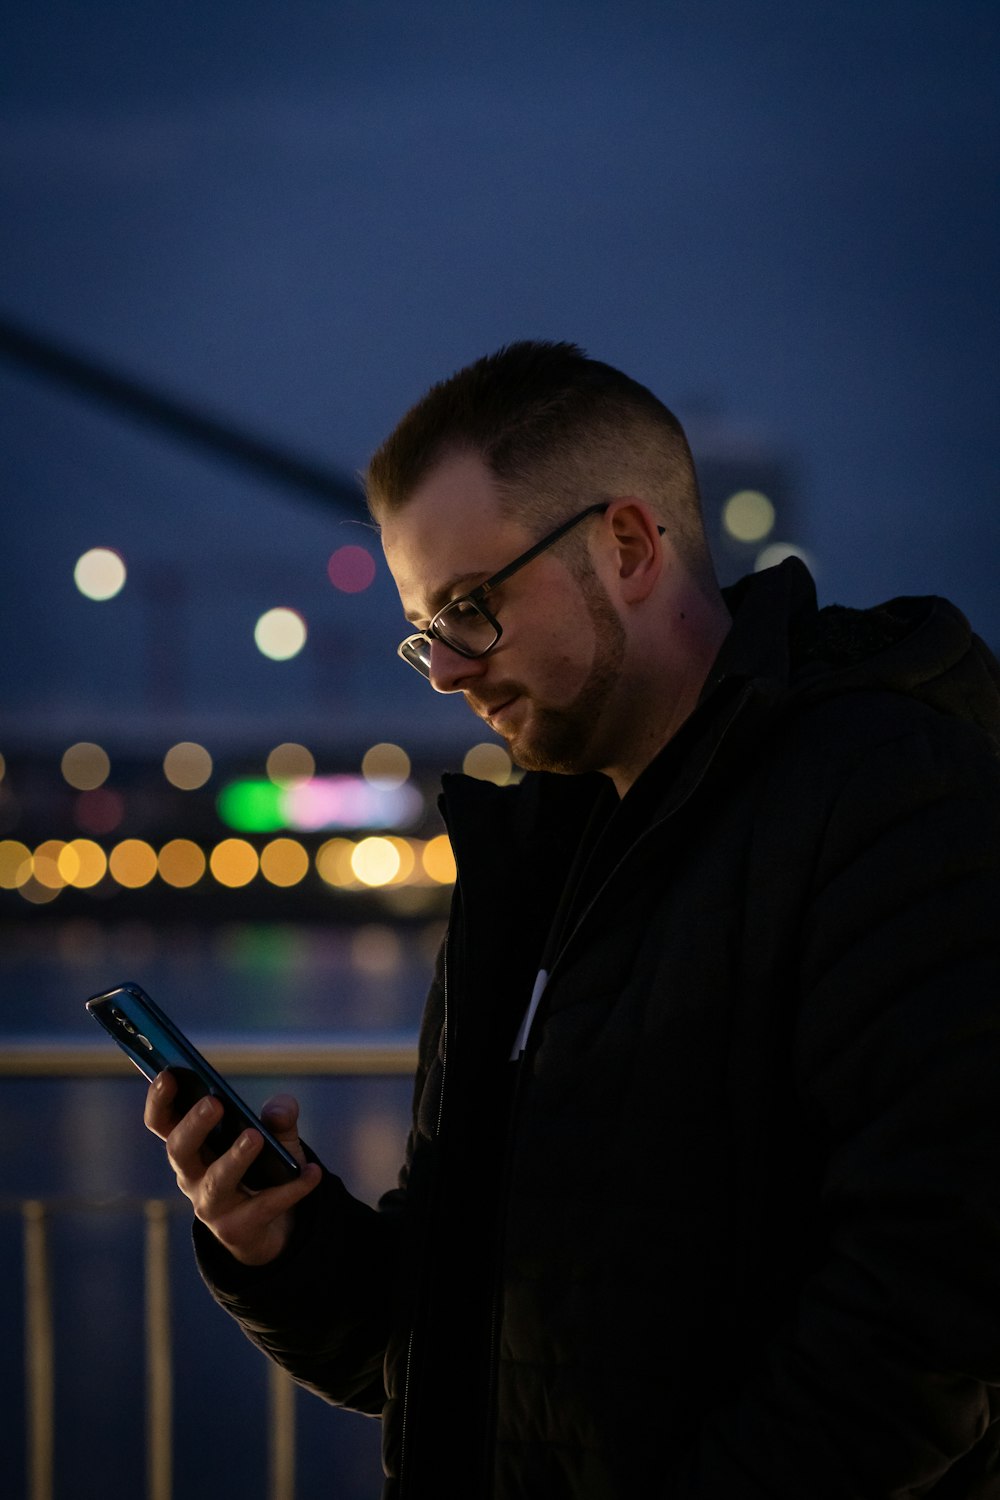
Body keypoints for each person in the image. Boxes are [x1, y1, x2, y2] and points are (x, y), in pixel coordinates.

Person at [145, 341, 1000, 1498]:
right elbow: (465, 1344)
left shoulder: (888, 791)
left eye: (469, 608)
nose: (443, 670)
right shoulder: (534, 857)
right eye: (422, 629)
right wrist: (279, 1247)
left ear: (632, 546)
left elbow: (931, 1307)